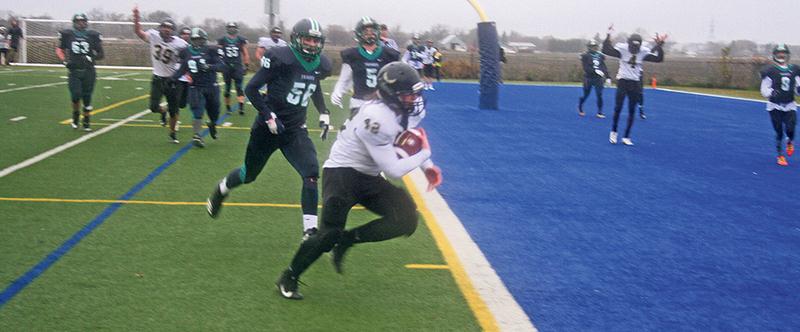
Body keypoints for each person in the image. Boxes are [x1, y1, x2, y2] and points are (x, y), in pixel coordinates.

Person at [274, 61, 443, 300]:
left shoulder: (402, 110)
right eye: (408, 95)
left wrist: (427, 167)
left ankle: (347, 241)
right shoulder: (375, 117)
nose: (414, 100)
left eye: (415, 93)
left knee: (406, 218)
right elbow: (394, 169)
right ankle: (289, 276)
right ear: (390, 95)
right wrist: (424, 154)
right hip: (342, 172)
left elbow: (406, 138)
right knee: (328, 234)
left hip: (368, 174)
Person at [206, 18, 332, 240]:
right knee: (249, 174)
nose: (312, 44)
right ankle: (222, 189)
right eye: (308, 39)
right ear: (296, 39)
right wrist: (269, 116)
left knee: (311, 172)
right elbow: (252, 89)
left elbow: (313, 85)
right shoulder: (281, 57)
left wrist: (323, 111)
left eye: (316, 40)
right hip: (268, 128)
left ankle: (309, 231)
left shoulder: (321, 64)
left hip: (295, 129)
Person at [331, 17, 400, 129]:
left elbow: (397, 79)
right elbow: (345, 78)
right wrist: (338, 91)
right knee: (355, 132)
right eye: (366, 31)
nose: (370, 34)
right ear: (359, 34)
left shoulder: (389, 54)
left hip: (382, 103)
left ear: (377, 33)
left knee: (380, 134)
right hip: (359, 101)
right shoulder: (352, 54)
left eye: (372, 31)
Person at [602, 26, 666, 146]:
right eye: (632, 47)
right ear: (628, 44)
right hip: (623, 81)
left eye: (636, 48)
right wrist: (608, 36)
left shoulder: (643, 51)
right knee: (618, 108)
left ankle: (626, 136)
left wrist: (660, 45)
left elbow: (659, 59)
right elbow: (606, 50)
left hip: (635, 83)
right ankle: (614, 132)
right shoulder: (622, 49)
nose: (633, 50)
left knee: (632, 110)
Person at [133, 6, 188, 144]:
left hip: (172, 80)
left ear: (173, 30)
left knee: (174, 109)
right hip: (157, 78)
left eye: (169, 27)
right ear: (160, 28)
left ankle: (172, 133)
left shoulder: (180, 44)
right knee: (153, 107)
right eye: (164, 27)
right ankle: (162, 112)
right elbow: (139, 33)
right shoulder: (153, 36)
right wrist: (136, 18)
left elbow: (189, 56)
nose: (166, 29)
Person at [172, 28, 225, 148]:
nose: (197, 42)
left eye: (199, 39)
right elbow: (183, 68)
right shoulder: (185, 51)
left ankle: (212, 124)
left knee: (214, 111)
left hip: (211, 86)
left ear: (204, 40)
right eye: (195, 39)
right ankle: (197, 135)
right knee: (197, 111)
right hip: (195, 86)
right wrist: (173, 78)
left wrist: (208, 67)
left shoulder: (211, 50)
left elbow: (222, 66)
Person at [56, 13, 104, 132]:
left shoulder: (93, 35)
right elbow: (59, 49)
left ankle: (86, 121)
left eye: (83, 21)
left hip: (89, 71)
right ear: (74, 22)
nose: (81, 23)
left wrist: (92, 57)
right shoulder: (67, 34)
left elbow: (101, 54)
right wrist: (64, 61)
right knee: (76, 95)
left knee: (87, 98)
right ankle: (76, 114)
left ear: (86, 22)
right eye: (78, 21)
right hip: (74, 70)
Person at [759, 44, 799, 166]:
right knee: (779, 131)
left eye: (783, 53)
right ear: (775, 55)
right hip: (774, 105)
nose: (781, 55)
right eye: (779, 53)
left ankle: (790, 141)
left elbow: (797, 88)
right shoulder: (770, 70)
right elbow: (763, 89)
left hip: (790, 104)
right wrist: (771, 93)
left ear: (787, 55)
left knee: (790, 129)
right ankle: (780, 155)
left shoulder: (794, 70)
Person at [218, 22, 250, 115]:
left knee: (239, 87)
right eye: (230, 27)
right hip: (226, 66)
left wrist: (246, 65)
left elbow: (245, 53)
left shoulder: (240, 40)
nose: (232, 29)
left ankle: (241, 108)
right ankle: (228, 108)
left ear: (236, 29)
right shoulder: (222, 40)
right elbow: (219, 53)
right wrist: (220, 64)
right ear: (227, 29)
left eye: (233, 27)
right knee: (227, 89)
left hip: (237, 66)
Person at [577, 40, 610, 118]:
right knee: (586, 94)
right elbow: (586, 68)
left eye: (595, 46)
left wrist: (608, 77)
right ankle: (580, 107)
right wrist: (595, 71)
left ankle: (600, 112)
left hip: (598, 78)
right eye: (592, 47)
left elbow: (603, 66)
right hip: (588, 78)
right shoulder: (585, 56)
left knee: (599, 94)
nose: (594, 48)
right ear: (589, 47)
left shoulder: (600, 56)